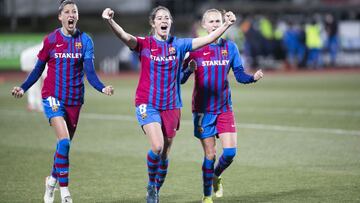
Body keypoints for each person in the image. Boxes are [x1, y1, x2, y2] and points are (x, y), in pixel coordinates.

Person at [102, 6, 235, 203]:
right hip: (147, 102)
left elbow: (207, 39)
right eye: (160, 18)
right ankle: (150, 186)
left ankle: (156, 189)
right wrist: (110, 21)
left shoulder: (179, 45)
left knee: (164, 153)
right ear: (153, 23)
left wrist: (226, 24)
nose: (164, 20)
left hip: (172, 105)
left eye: (167, 18)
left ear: (170, 23)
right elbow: (125, 36)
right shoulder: (145, 44)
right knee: (157, 146)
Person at [11, 1, 114, 203]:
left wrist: (102, 87)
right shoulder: (51, 40)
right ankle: (65, 192)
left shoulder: (85, 41)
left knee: (63, 146)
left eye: (74, 12)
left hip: (75, 100)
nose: (71, 15)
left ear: (77, 16)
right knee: (65, 141)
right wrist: (23, 87)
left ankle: (50, 182)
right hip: (52, 96)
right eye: (67, 12)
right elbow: (38, 69)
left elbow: (90, 73)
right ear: (60, 17)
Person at [180, 9, 263, 203]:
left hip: (225, 107)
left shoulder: (230, 47)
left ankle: (216, 175)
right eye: (211, 21)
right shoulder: (194, 48)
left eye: (218, 20)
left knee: (230, 153)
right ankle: (207, 195)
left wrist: (252, 78)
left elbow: (240, 74)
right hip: (203, 110)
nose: (216, 24)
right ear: (204, 25)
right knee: (210, 154)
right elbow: (181, 79)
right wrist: (188, 70)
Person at [20, 43, 48, 112]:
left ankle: (33, 104)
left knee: (34, 83)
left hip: (27, 58)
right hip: (30, 60)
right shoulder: (49, 49)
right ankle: (37, 104)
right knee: (36, 82)